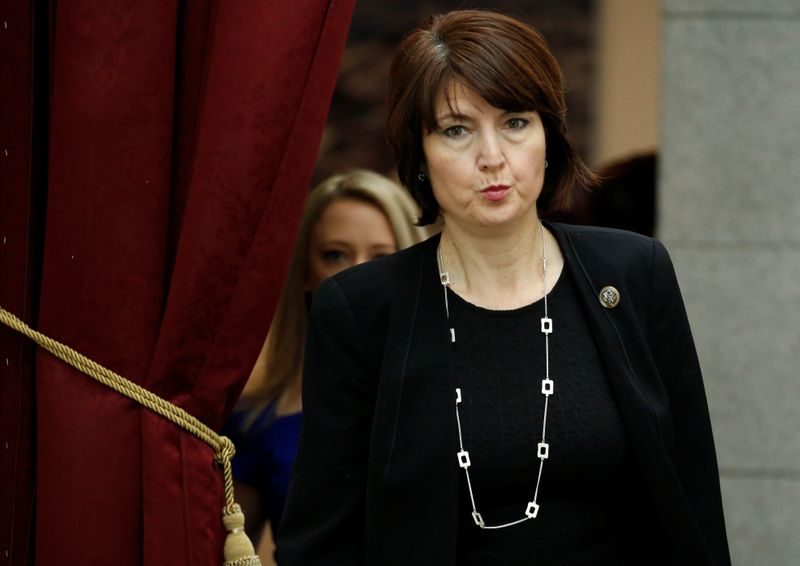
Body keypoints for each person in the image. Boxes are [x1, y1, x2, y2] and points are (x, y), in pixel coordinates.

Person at [278, 10, 731, 566]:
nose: (492, 157)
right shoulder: (360, 310)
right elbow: (322, 539)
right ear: (419, 155)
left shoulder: (635, 272)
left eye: (515, 121)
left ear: (549, 137)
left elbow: (693, 499)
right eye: (457, 130)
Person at [222, 169, 427, 562]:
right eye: (336, 255)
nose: (357, 274)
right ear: (304, 272)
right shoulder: (255, 420)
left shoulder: (456, 393)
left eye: (382, 258)